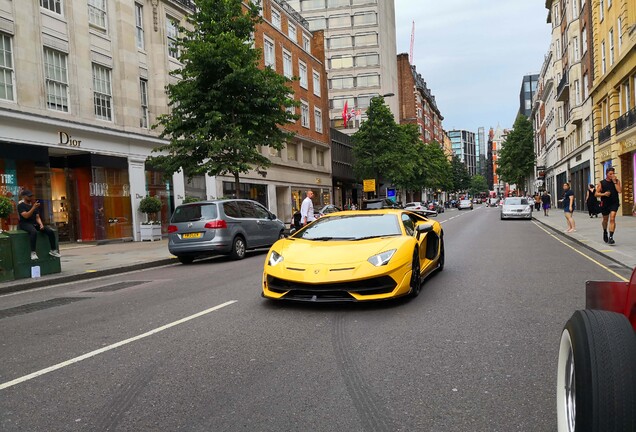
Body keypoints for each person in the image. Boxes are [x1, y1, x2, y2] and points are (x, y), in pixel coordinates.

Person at [17, 190, 61, 260]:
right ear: (24, 197)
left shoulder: (33, 204)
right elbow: (26, 216)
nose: (31, 197)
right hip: (25, 223)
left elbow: (37, 217)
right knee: (33, 231)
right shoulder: (21, 206)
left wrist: (41, 224)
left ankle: (53, 250)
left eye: (31, 196)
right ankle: (33, 252)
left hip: (34, 223)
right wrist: (33, 208)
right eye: (29, 196)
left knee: (50, 231)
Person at [595, 166, 621, 245]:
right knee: (605, 220)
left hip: (614, 202)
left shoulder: (617, 181)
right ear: (606, 174)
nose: (612, 175)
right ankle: (605, 231)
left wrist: (614, 182)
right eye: (610, 174)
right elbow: (596, 194)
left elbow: (619, 191)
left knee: (612, 218)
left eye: (613, 173)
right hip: (605, 203)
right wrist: (604, 194)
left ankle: (611, 237)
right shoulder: (601, 183)